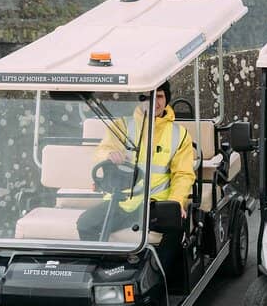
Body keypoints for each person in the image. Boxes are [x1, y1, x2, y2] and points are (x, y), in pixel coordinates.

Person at [76, 80, 196, 241]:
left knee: (175, 228)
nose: (154, 102)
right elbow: (102, 150)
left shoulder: (180, 134)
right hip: (125, 201)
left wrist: (176, 203)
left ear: (166, 99)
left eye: (159, 96)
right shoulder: (122, 126)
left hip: (157, 203)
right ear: (140, 100)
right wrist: (109, 154)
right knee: (85, 224)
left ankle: (159, 260)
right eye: (147, 97)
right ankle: (105, 257)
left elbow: (183, 175)